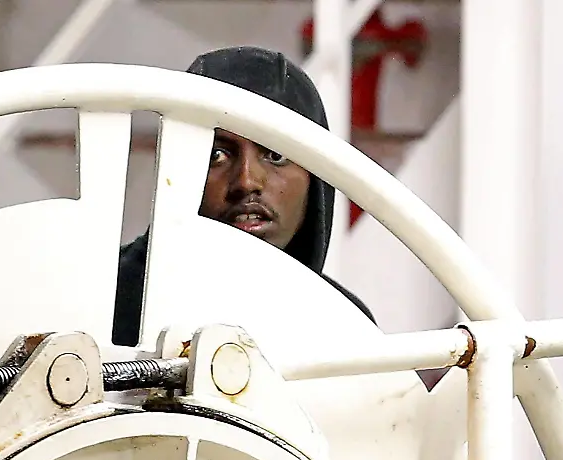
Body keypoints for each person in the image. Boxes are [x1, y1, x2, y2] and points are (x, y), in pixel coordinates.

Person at [111, 46, 374, 346]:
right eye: (217, 155)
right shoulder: (97, 303)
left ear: (315, 179)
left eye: (275, 155)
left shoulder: (346, 328)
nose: (247, 181)